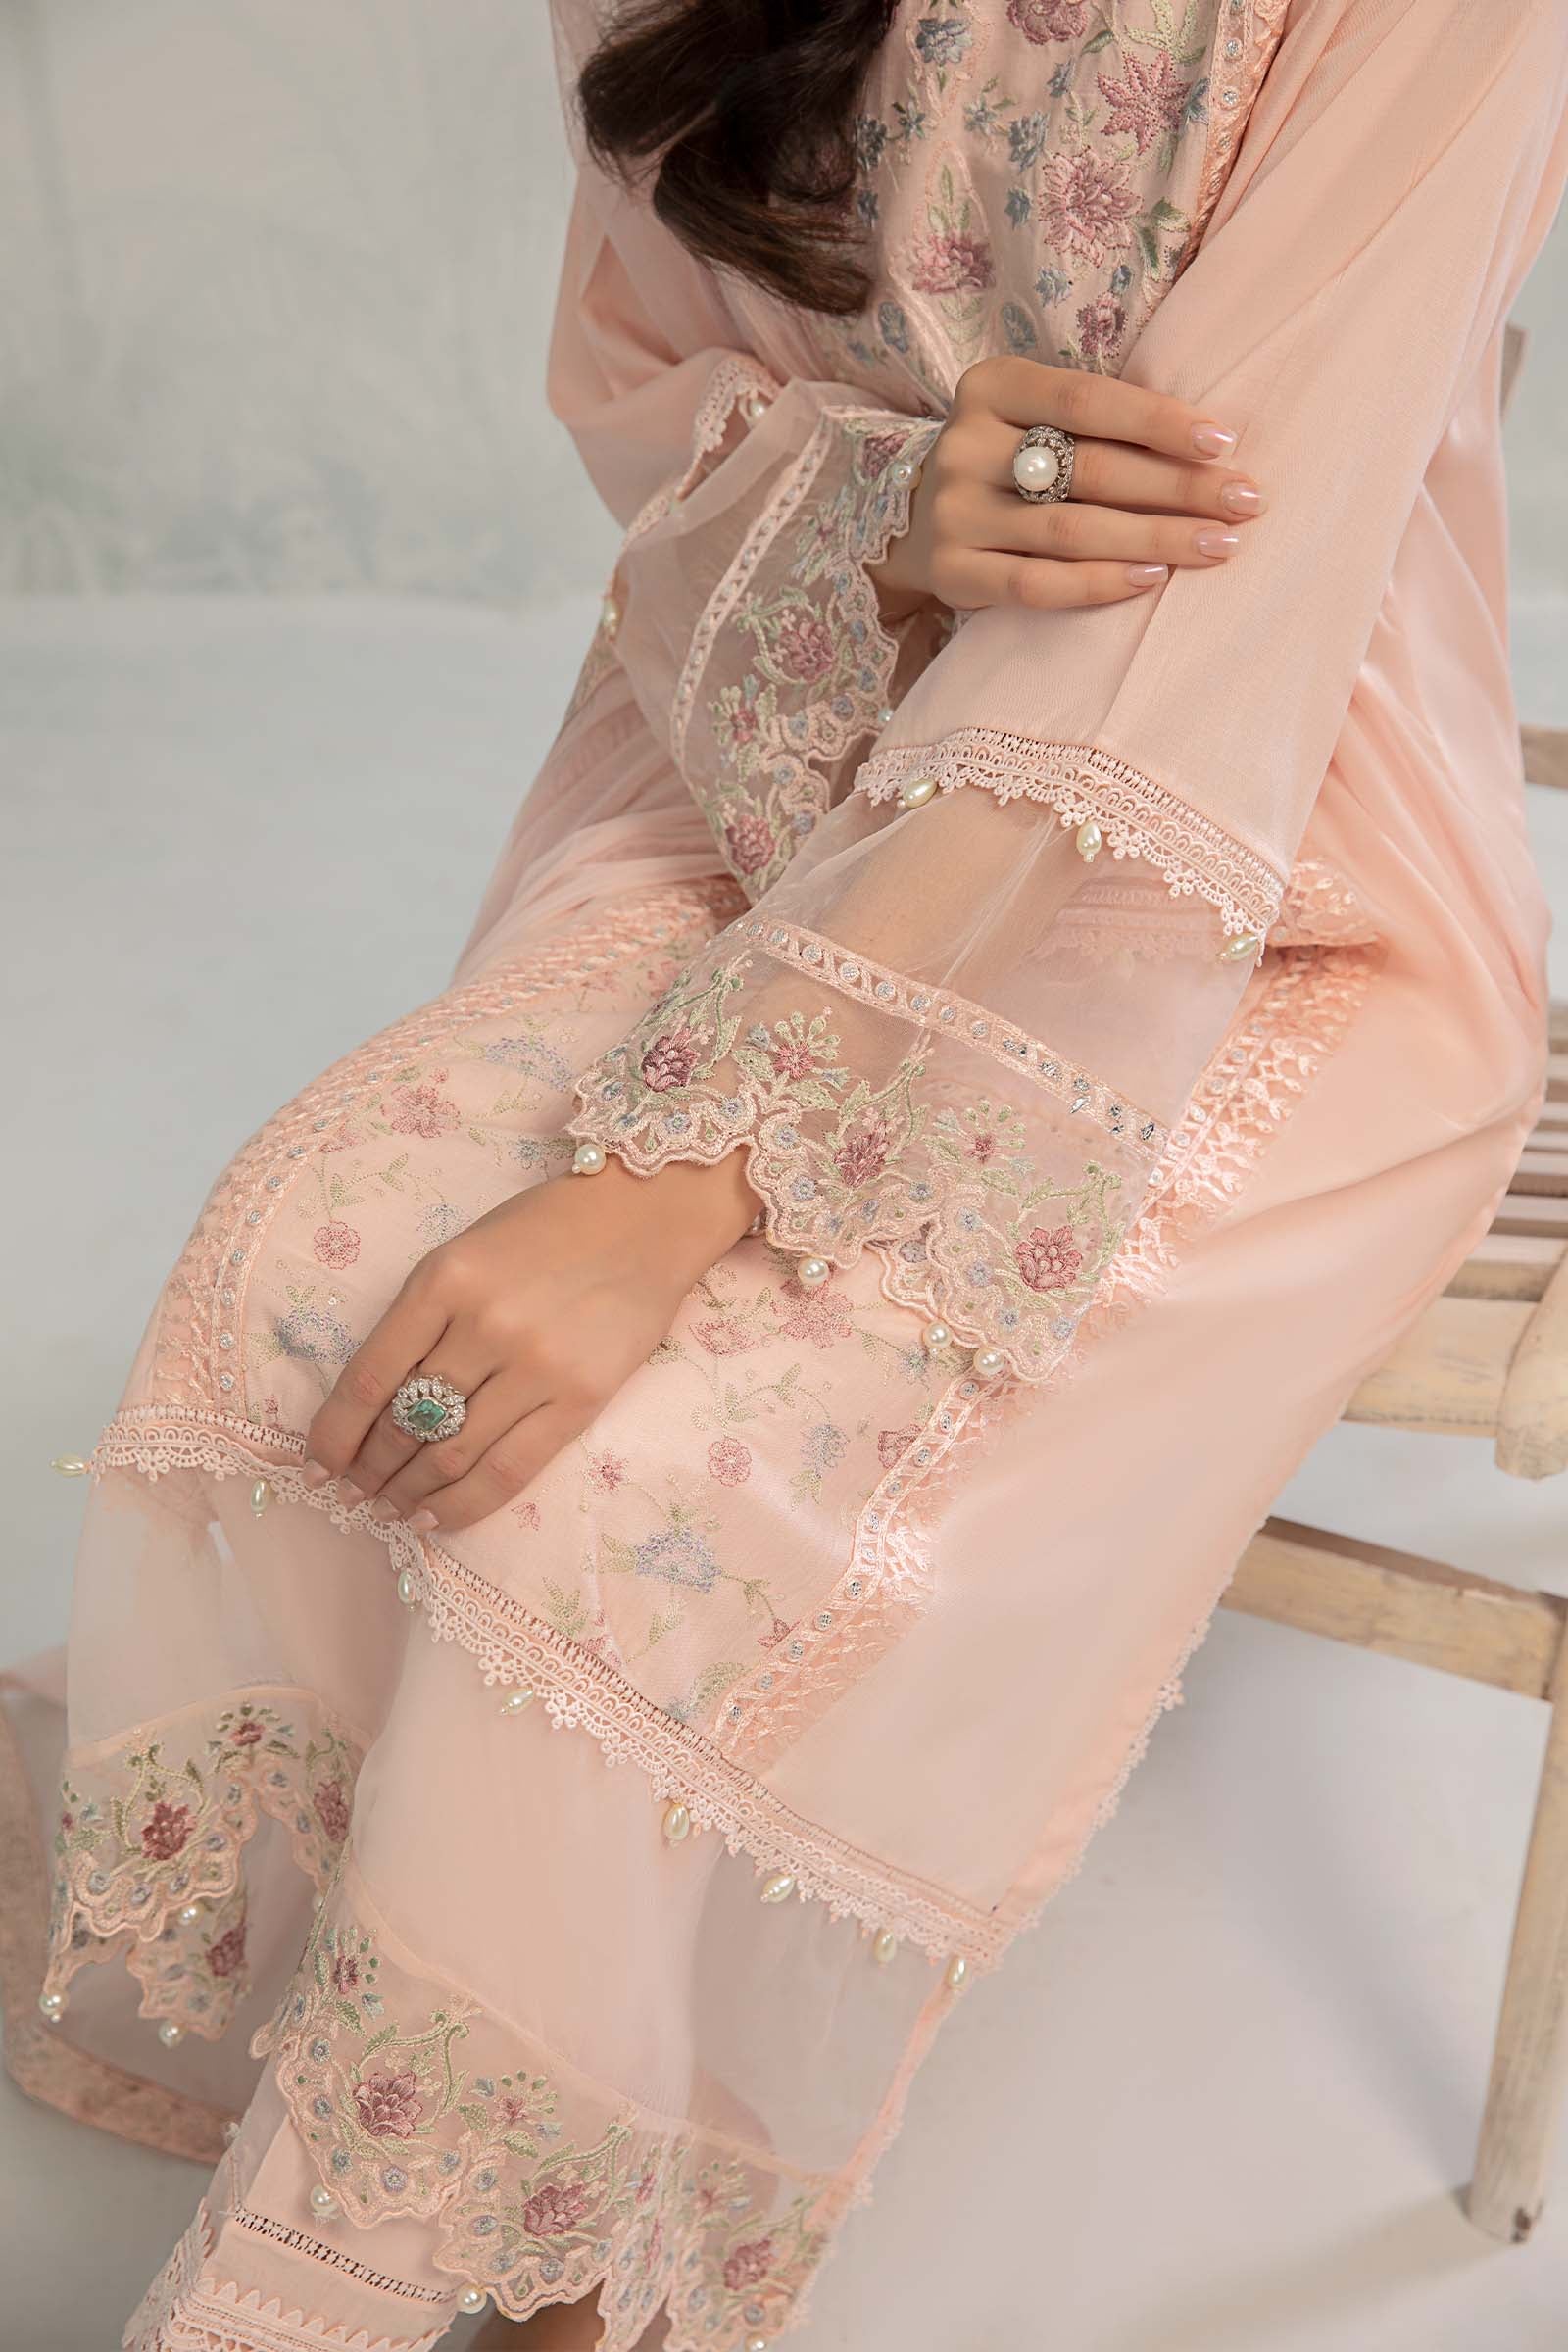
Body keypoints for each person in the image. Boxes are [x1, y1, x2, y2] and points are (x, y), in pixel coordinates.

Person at [4, 1, 1566, 2345]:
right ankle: (492, 2129)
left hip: (1259, 873)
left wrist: (686, 1170)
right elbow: (649, 403)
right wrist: (890, 510)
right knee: (322, 1259)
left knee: (636, 1479)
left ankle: (493, 2258)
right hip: (770, 755)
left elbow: (1229, 561)